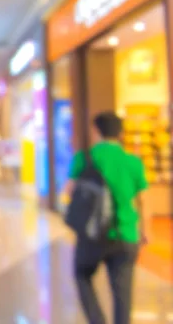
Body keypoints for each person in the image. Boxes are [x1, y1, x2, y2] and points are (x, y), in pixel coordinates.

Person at [61, 111, 151, 324]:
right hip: (126, 234)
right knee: (123, 294)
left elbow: (68, 191)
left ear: (95, 131)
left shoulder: (84, 158)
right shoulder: (133, 162)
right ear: (120, 134)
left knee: (82, 275)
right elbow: (145, 202)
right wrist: (146, 231)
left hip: (93, 233)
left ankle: (97, 321)